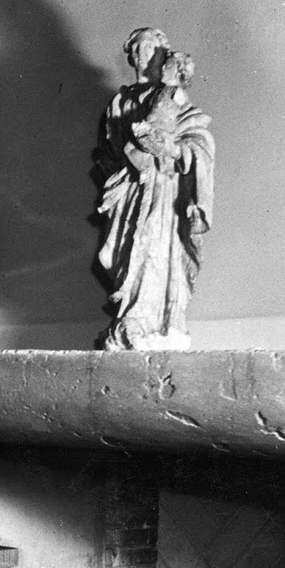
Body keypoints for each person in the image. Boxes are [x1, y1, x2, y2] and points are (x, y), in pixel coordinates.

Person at [95, 41, 214, 350]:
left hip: (164, 189)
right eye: (137, 48)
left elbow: (198, 142)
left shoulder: (176, 99)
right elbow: (110, 150)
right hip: (132, 188)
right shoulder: (121, 101)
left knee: (155, 244)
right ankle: (131, 318)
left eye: (152, 47)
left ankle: (155, 320)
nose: (143, 55)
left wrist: (170, 150)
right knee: (128, 249)